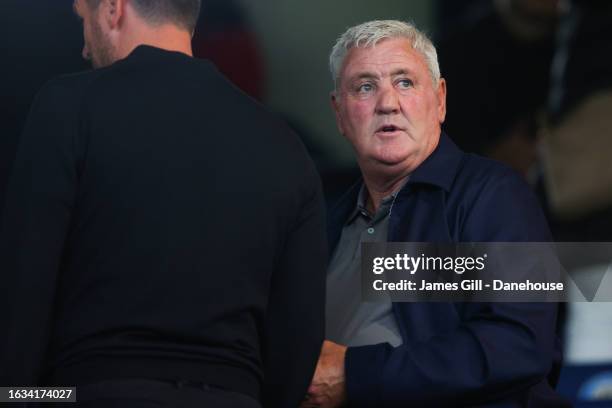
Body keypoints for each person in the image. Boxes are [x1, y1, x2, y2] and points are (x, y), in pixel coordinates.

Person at [0, 0, 327, 407]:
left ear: (113, 9)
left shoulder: (67, 106)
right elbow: (298, 339)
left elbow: (23, 300)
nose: (84, 47)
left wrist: (27, 398)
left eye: (83, 21)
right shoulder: (285, 147)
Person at [303, 20, 567, 407]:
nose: (388, 102)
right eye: (364, 86)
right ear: (340, 113)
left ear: (440, 100)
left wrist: (355, 374)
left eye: (405, 82)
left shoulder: (495, 195)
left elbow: (520, 342)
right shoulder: (325, 222)